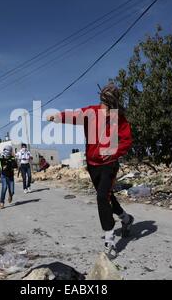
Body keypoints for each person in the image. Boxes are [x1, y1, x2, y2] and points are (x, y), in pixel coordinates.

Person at [47, 82, 134, 259]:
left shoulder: (119, 118)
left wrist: (114, 153)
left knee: (102, 197)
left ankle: (109, 241)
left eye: (109, 105)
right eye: (104, 103)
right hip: (93, 164)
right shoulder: (92, 112)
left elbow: (126, 141)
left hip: (109, 164)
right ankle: (126, 219)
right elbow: (73, 115)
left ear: (114, 102)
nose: (105, 109)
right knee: (107, 196)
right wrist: (57, 117)